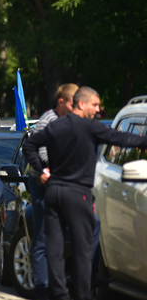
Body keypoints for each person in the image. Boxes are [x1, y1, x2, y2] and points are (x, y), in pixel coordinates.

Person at [23, 87, 147, 300]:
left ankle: (60, 295)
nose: (98, 110)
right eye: (95, 105)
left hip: (53, 193)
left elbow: (30, 145)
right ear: (81, 104)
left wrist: (42, 170)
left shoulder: (55, 126)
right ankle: (82, 296)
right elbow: (120, 138)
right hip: (77, 194)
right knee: (83, 250)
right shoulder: (90, 127)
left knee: (54, 248)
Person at [28, 83, 78, 300]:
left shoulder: (74, 120)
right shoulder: (48, 119)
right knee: (43, 236)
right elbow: (38, 148)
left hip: (65, 182)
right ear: (61, 102)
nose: (76, 107)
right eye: (72, 103)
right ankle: (42, 288)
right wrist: (50, 169)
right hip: (43, 182)